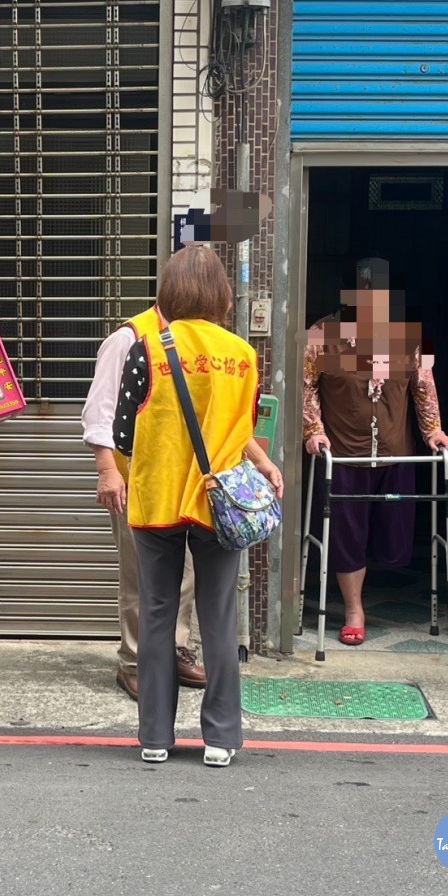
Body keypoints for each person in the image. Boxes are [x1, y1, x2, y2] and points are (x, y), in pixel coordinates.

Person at [114, 246, 282, 767]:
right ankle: (221, 739)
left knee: (157, 614)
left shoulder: (147, 348)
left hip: (157, 499)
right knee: (218, 617)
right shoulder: (243, 356)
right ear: (223, 295)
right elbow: (243, 428)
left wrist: (146, 467)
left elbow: (123, 434)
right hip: (219, 501)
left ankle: (154, 737)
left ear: (169, 291)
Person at [301, 262, 448, 645]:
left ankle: (385, 591)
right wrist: (314, 431)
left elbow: (424, 388)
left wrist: (433, 431)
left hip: (395, 453)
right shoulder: (320, 335)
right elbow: (306, 387)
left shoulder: (412, 337)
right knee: (346, 535)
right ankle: (354, 610)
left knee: (393, 537)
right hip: (343, 454)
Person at [83, 308, 208, 701]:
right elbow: (99, 411)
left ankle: (175, 649)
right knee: (141, 574)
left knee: (186, 569)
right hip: (136, 478)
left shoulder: (197, 337)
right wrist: (107, 470)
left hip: (183, 478)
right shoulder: (129, 337)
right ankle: (135, 662)